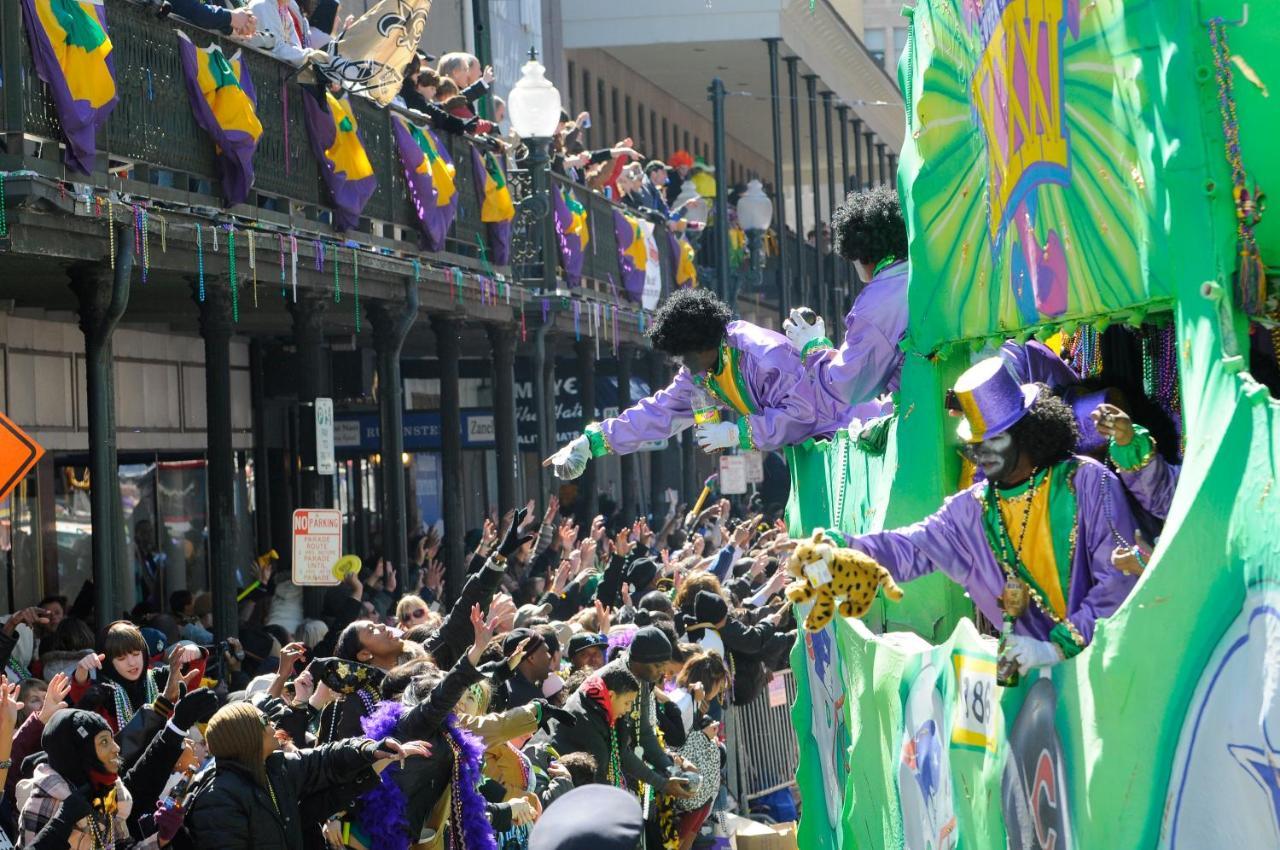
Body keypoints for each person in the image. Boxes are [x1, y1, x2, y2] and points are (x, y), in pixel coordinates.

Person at [838, 358, 1140, 675]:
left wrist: (1058, 647)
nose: (981, 454)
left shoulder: (1085, 481)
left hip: (1114, 672)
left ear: (1025, 434)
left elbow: (1120, 577)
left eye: (994, 440)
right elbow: (909, 549)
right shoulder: (971, 510)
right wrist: (840, 552)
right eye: (976, 443)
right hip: (1035, 685)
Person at [545, 288, 854, 479]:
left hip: (850, 444)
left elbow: (805, 415)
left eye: (684, 356)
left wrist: (737, 432)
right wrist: (591, 443)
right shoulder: (701, 371)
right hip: (814, 462)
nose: (681, 364)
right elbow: (659, 413)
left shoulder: (764, 357)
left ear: (701, 346)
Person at [183, 701, 414, 849]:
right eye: (264, 720)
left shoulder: (274, 767)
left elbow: (325, 758)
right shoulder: (218, 798)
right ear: (248, 737)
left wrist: (368, 749)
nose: (273, 723)